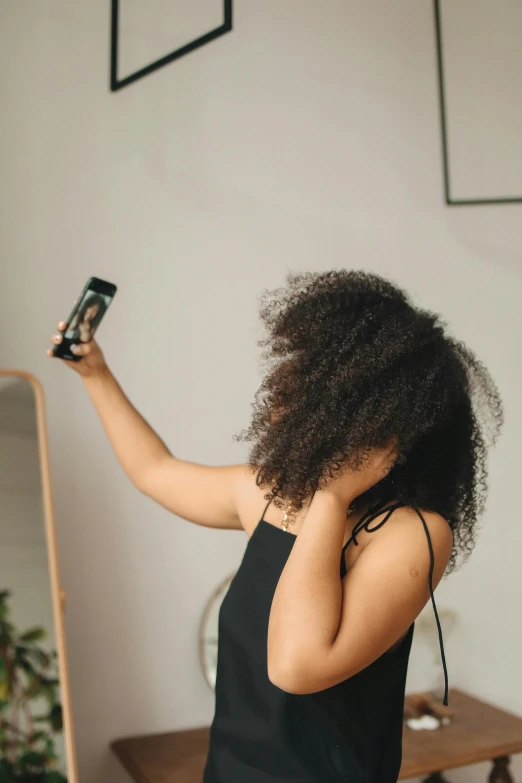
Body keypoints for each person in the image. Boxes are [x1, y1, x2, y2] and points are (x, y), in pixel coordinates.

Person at [48, 269, 503, 783]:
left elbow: (297, 667)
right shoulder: (273, 494)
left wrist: (331, 495)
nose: (283, 381)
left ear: (356, 407)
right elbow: (155, 472)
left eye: (306, 372)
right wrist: (96, 375)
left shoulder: (411, 533)